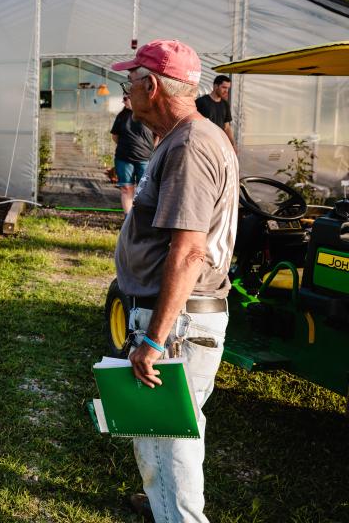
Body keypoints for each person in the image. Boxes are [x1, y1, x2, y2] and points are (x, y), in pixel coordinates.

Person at [110, 40, 239, 523]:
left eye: (131, 82)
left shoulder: (189, 145)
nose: (127, 91)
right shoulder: (182, 138)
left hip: (179, 321)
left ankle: (181, 515)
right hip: (177, 315)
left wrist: (153, 338)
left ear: (153, 85)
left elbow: (187, 252)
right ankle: (164, 502)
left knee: (173, 434)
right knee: (161, 429)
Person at [110, 94, 155, 213]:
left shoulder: (148, 114)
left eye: (126, 98)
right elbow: (115, 136)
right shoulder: (121, 116)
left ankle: (141, 217)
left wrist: (152, 149)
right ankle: (127, 218)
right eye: (123, 98)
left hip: (145, 158)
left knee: (144, 189)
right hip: (123, 158)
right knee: (126, 188)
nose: (123, 101)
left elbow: (157, 134)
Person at [195, 75, 236, 151]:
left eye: (228, 88)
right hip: (203, 145)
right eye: (224, 87)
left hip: (219, 145)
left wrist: (232, 144)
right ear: (215, 86)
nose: (226, 91)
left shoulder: (225, 104)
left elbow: (227, 127)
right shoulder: (201, 102)